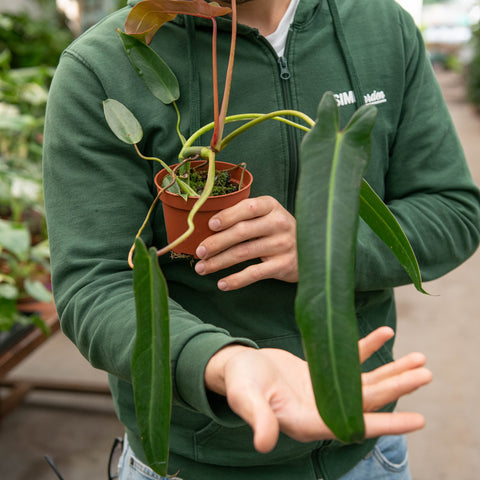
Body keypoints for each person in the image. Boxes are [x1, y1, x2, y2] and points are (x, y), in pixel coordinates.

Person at [42, 0, 480, 479]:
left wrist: (322, 246)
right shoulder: (107, 63)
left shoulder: (379, 27)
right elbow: (95, 283)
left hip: (365, 451)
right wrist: (221, 362)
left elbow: (452, 210)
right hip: (195, 462)